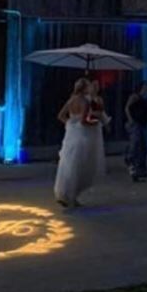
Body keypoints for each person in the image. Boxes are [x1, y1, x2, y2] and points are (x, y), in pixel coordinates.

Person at [53, 78, 100, 209]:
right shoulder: (84, 102)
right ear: (84, 88)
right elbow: (84, 121)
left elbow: (61, 115)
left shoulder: (71, 100)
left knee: (68, 163)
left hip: (70, 134)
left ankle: (65, 193)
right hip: (81, 134)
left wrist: (70, 123)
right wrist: (95, 123)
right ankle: (72, 196)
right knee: (79, 164)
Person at [124, 81, 147, 182]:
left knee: (143, 146)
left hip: (143, 123)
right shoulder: (135, 97)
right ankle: (131, 161)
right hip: (136, 123)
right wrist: (130, 119)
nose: (146, 91)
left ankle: (141, 169)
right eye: (144, 88)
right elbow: (127, 108)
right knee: (135, 143)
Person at [87, 80, 108, 177]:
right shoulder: (86, 98)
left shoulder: (99, 99)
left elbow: (102, 111)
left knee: (96, 144)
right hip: (88, 123)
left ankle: (95, 165)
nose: (96, 88)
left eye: (97, 86)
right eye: (94, 86)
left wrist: (106, 122)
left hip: (97, 123)